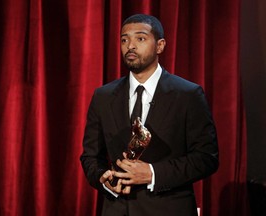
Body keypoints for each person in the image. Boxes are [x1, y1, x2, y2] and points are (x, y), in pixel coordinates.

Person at [80, 14, 219, 216]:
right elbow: (90, 156)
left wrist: (152, 173)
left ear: (160, 45)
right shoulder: (103, 96)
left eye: (141, 38)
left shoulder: (188, 94)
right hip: (117, 209)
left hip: (169, 209)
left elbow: (207, 158)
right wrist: (104, 179)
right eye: (124, 39)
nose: (130, 46)